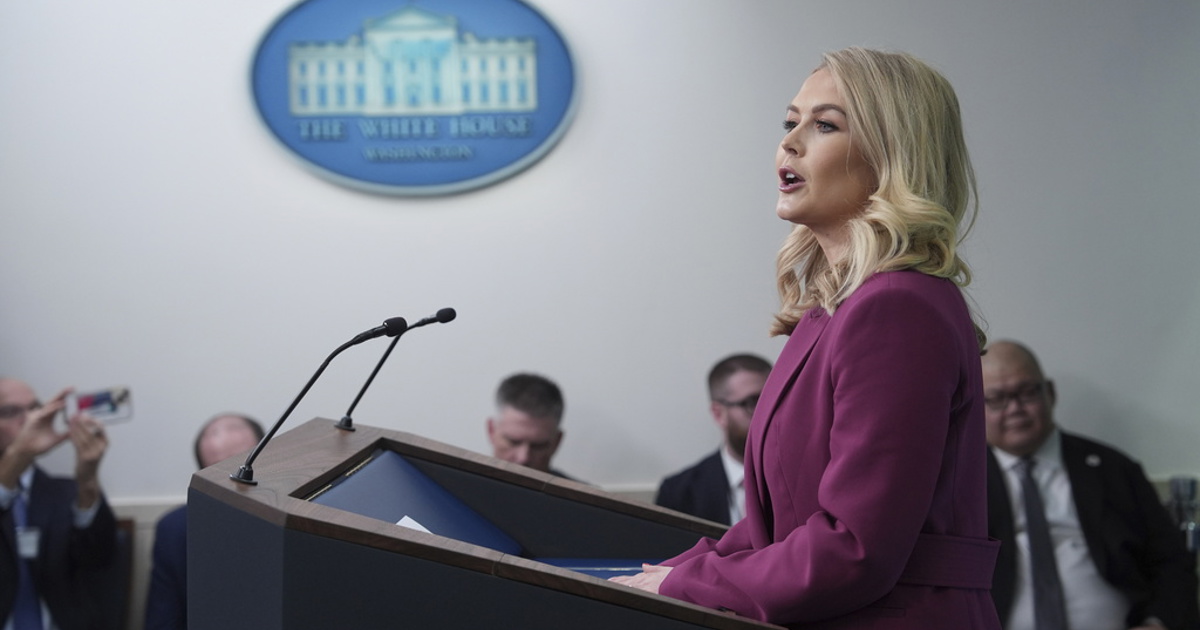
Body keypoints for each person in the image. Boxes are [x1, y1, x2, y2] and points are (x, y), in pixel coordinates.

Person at [611, 47, 1000, 629]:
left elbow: (854, 549)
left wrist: (690, 582)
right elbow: (785, 522)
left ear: (891, 155)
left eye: (824, 125)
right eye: (789, 121)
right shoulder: (835, 310)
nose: (789, 143)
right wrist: (671, 572)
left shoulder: (897, 308)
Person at [982, 340, 1200, 630]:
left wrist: (1157, 623)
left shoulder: (1113, 469)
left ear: (1050, 393)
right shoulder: (960, 481)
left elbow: (1172, 563)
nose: (1015, 409)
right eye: (996, 398)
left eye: (1027, 392)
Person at [0, 378, 119, 630]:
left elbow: (100, 559)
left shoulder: (65, 492)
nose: (31, 420)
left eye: (35, 408)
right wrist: (15, 458)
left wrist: (87, 481)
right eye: (10, 412)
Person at [144, 413, 265, 630]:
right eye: (221, 470)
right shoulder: (176, 532)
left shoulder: (301, 522)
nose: (239, 480)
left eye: (244, 463)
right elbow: (163, 622)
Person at [655, 353, 772, 525]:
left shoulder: (809, 479)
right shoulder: (679, 493)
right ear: (719, 414)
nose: (769, 413)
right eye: (753, 402)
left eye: (775, 400)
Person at [485, 373, 572, 478]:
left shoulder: (583, 494)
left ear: (557, 442)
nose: (523, 458)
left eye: (538, 446)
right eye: (513, 442)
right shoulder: (460, 487)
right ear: (491, 430)